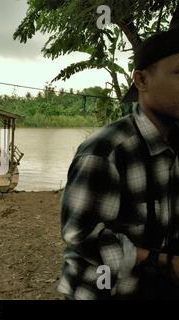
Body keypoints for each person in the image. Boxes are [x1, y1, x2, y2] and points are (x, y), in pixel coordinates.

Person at [58, 28, 179, 299]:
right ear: (141, 80)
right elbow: (81, 235)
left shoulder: (175, 143)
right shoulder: (106, 151)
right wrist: (164, 262)